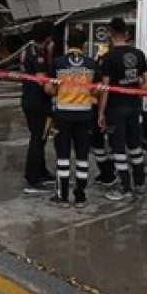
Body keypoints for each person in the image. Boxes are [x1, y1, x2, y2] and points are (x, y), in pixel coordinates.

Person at [97, 17, 147, 201]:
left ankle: (125, 188)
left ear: (111, 33)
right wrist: (137, 92)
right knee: (135, 146)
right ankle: (140, 184)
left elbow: (105, 88)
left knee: (118, 149)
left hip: (115, 108)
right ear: (126, 33)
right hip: (134, 107)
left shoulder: (108, 57)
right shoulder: (138, 54)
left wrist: (100, 113)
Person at [46, 29, 99, 207]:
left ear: (68, 43)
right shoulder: (91, 64)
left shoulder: (58, 63)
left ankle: (62, 196)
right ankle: (81, 196)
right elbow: (97, 90)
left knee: (62, 155)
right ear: (84, 45)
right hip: (84, 114)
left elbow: (49, 89)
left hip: (63, 114)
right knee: (82, 156)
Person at [20, 21, 54, 194]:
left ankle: (41, 171)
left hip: (28, 97)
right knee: (37, 138)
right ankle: (33, 177)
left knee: (39, 137)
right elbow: (44, 82)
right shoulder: (39, 55)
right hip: (38, 101)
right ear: (47, 38)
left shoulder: (27, 50)